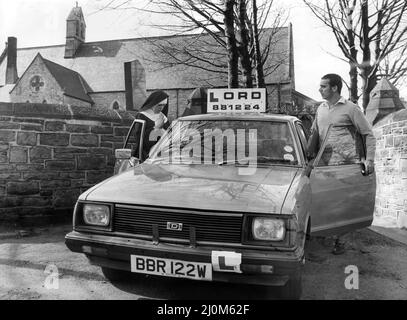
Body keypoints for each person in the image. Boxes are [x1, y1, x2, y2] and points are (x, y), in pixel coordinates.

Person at [307, 73, 376, 255]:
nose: (319, 89)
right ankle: (324, 232)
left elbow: (368, 134)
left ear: (335, 88)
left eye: (323, 86)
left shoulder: (351, 109)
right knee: (323, 199)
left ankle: (341, 240)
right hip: (324, 164)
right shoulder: (320, 108)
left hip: (346, 164)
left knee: (343, 203)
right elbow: (315, 132)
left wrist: (369, 160)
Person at [130, 90, 170, 164]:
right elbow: (140, 139)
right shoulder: (142, 116)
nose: (161, 108)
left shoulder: (163, 117)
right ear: (153, 103)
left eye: (164, 105)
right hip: (145, 156)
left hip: (164, 156)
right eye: (159, 105)